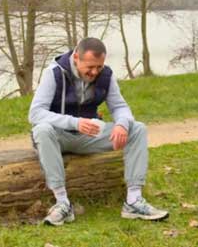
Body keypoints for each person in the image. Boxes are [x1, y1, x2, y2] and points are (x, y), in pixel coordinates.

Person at [28, 37, 168, 225]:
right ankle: (62, 204)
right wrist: (74, 123)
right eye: (90, 67)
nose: (94, 72)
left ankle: (134, 201)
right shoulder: (53, 73)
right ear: (76, 57)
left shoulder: (106, 75)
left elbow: (120, 107)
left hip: (89, 137)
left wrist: (121, 124)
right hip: (57, 136)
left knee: (138, 129)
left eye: (99, 67)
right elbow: (35, 114)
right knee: (42, 130)